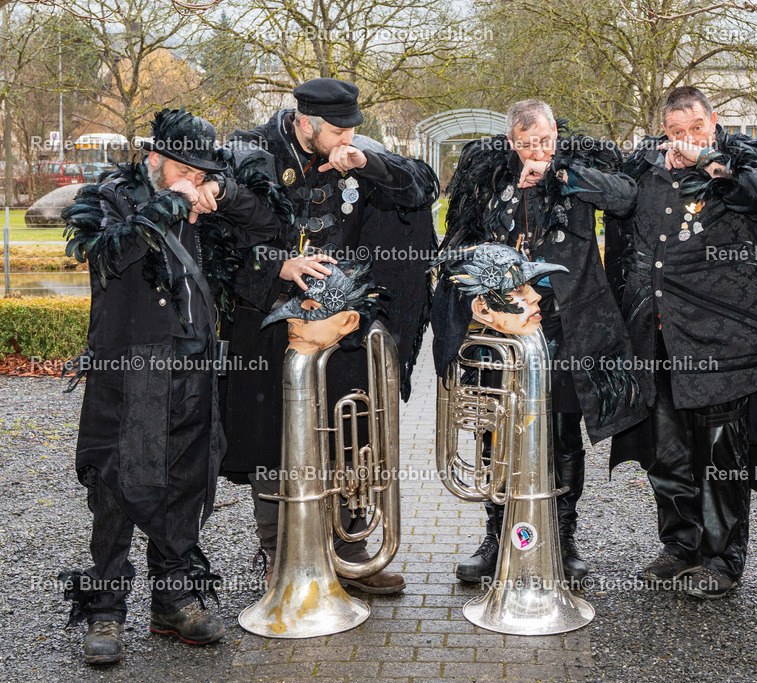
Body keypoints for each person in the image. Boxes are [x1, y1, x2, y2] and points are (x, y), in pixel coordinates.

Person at [59, 108, 288, 664]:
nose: (192, 179)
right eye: (184, 168)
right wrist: (171, 203)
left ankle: (174, 600)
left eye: (202, 171)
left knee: (187, 481)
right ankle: (107, 610)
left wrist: (219, 192)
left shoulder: (205, 201)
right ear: (155, 157)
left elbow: (269, 226)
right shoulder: (112, 196)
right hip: (132, 369)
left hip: (195, 366)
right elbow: (110, 254)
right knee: (118, 484)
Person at [219, 78, 438, 594]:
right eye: (339, 131)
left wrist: (369, 164)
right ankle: (279, 552)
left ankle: (350, 550)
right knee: (270, 438)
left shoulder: (356, 151)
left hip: (341, 321)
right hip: (268, 318)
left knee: (351, 431)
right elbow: (217, 238)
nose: (348, 139)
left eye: (352, 130)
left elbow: (422, 187)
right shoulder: (249, 152)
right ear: (304, 122)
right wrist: (278, 265)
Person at [440, 100, 646, 583]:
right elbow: (458, 244)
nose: (538, 151)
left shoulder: (577, 166)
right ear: (511, 140)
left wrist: (561, 173)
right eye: (529, 144)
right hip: (501, 325)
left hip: (566, 321)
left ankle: (562, 536)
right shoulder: (486, 176)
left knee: (562, 429)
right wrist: (481, 291)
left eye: (547, 141)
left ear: (557, 134)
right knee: (495, 428)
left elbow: (625, 198)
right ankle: (496, 535)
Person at [605, 86, 757, 599]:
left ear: (714, 123)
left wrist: (710, 160)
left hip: (721, 342)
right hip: (657, 336)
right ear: (664, 130)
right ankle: (679, 546)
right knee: (666, 451)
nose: (685, 139)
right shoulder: (644, 167)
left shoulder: (746, 160)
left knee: (720, 455)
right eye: (676, 131)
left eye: (696, 129)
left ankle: (722, 559)